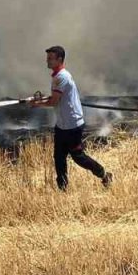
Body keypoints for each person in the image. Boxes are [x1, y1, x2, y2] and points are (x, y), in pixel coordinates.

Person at [27, 45, 113, 190]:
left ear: (59, 59)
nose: (47, 61)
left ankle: (104, 174)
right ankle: (63, 189)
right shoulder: (57, 76)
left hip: (72, 126)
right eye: (47, 58)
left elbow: (54, 101)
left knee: (78, 157)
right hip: (62, 125)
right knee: (59, 158)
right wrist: (38, 100)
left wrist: (36, 104)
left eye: (50, 59)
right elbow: (56, 97)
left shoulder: (62, 77)